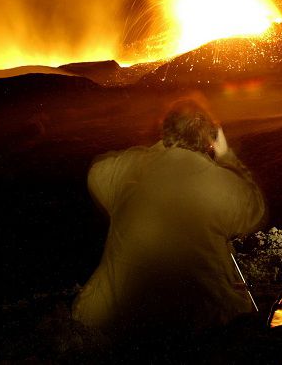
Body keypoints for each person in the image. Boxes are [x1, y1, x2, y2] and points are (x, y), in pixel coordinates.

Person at [72, 98, 266, 337]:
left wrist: (158, 149)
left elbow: (96, 170)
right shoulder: (220, 184)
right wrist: (227, 157)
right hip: (195, 323)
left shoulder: (127, 168)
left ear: (165, 130)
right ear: (210, 139)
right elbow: (253, 209)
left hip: (110, 319)